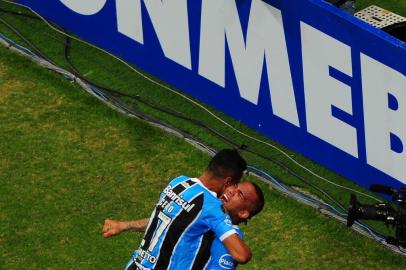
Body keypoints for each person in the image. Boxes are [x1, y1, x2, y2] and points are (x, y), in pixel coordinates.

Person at [107, 149, 250, 269]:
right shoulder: (211, 207)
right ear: (228, 181)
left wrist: (124, 225)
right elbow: (241, 255)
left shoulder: (178, 183)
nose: (232, 190)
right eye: (234, 185)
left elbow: (170, 220)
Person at [103, 181, 265, 270]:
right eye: (235, 186)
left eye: (239, 194)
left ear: (243, 213)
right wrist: (124, 225)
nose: (231, 190)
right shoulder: (208, 211)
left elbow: (239, 257)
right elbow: (173, 222)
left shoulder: (229, 242)